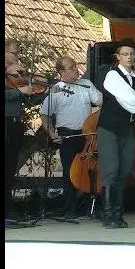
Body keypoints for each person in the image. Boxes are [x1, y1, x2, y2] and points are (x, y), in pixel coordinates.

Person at [96, 38, 135, 229]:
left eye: (132, 54)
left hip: (127, 129)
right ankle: (108, 215)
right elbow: (127, 98)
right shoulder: (112, 76)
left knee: (123, 172)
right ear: (118, 56)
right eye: (125, 54)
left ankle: (119, 214)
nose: (129, 57)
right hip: (109, 129)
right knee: (111, 171)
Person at [40, 56, 103, 219]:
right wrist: (52, 133)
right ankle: (71, 210)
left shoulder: (86, 85)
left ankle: (93, 207)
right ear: (61, 72)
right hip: (67, 134)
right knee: (69, 172)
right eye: (71, 67)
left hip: (87, 135)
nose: (76, 69)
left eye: (76, 65)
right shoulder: (56, 90)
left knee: (92, 170)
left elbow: (101, 102)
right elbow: (45, 114)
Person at [5, 39, 50, 219]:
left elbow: (27, 100)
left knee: (10, 167)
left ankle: (8, 209)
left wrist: (44, 94)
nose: (18, 57)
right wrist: (20, 92)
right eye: (15, 53)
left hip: (15, 123)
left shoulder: (15, 76)